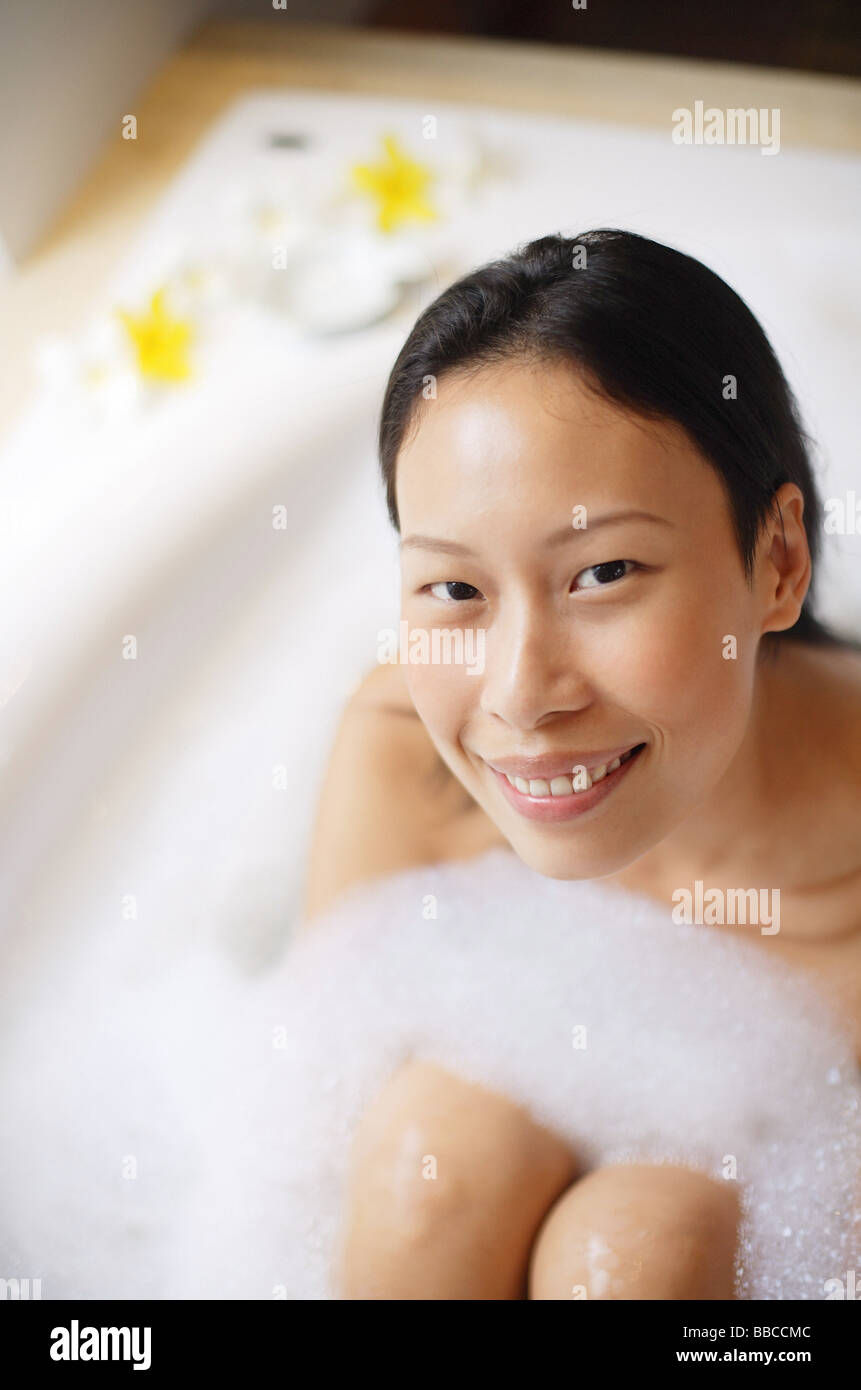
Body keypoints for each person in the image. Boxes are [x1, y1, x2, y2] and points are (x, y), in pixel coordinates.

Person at [302, 230, 861, 1299]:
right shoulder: (403, 757)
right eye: (455, 590)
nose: (520, 692)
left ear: (778, 560)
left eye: (603, 572)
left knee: (645, 1254)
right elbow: (313, 1112)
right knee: (433, 1164)